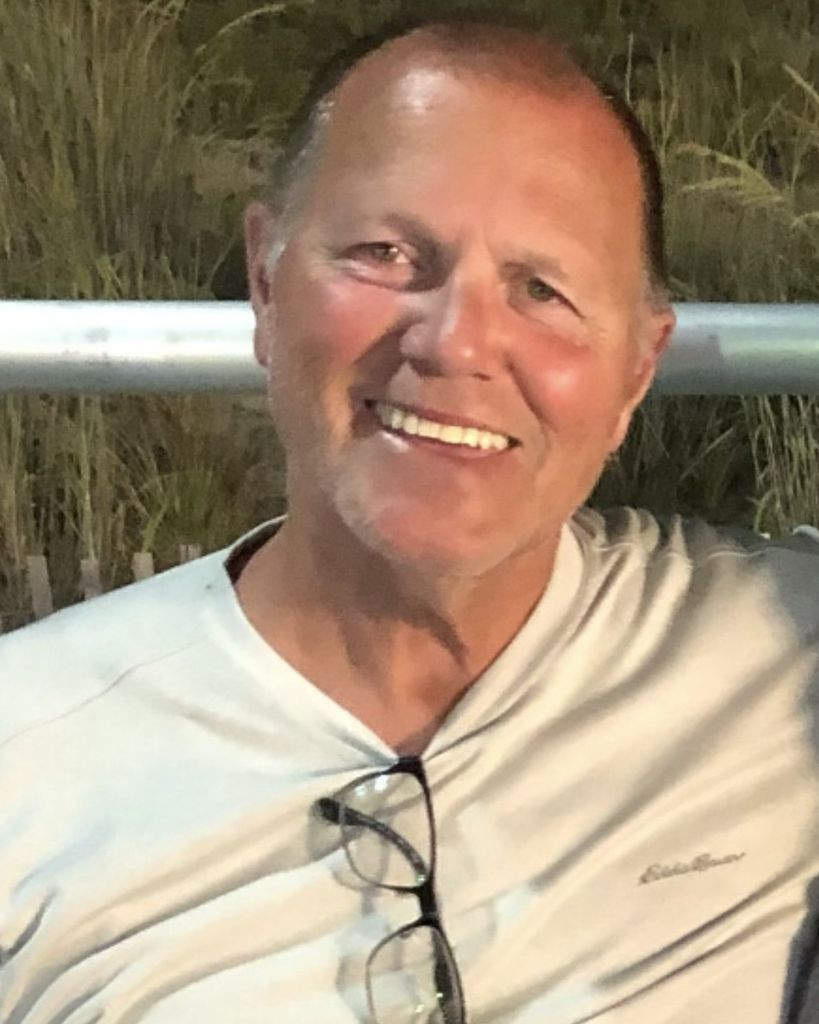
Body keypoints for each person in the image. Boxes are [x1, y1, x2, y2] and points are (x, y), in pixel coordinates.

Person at [1, 14, 818, 1024]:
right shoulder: (27, 763)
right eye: (386, 254)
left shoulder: (778, 653)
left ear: (635, 371)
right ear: (265, 279)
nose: (456, 343)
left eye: (543, 290)